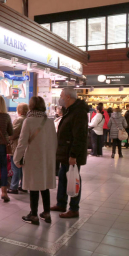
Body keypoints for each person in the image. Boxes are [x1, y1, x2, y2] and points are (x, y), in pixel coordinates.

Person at [14, 96, 57, 225]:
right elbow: (54, 141)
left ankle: (33, 215)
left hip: (33, 157)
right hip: (47, 157)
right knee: (44, 186)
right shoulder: (49, 121)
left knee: (33, 186)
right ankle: (46, 213)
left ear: (31, 106)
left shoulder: (29, 121)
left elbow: (22, 143)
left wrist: (17, 158)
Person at [50, 87, 88, 219]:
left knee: (73, 179)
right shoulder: (71, 111)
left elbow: (79, 136)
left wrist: (73, 155)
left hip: (71, 154)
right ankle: (61, 203)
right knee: (63, 178)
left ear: (68, 97)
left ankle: (74, 208)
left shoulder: (79, 112)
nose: (60, 98)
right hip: (65, 153)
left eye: (61, 95)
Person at [8, 103, 28, 194]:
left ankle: (13, 187)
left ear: (19, 110)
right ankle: (23, 186)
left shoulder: (19, 120)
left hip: (16, 146)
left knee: (15, 167)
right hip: (25, 147)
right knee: (22, 168)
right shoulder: (28, 119)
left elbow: (12, 134)